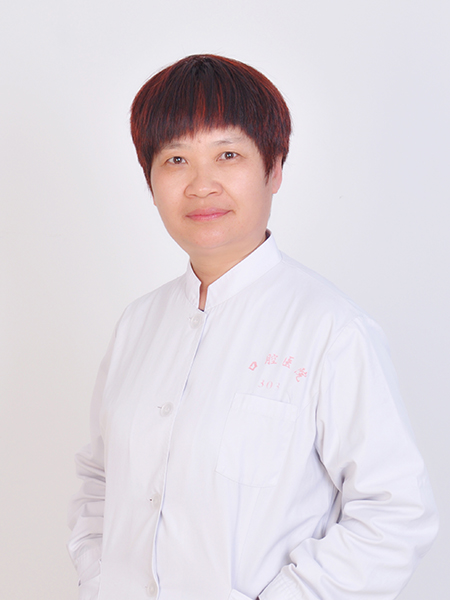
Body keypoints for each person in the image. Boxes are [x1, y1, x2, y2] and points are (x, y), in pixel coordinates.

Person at [67, 54, 438, 600]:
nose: (201, 185)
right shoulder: (137, 324)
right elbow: (100, 482)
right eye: (176, 159)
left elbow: (394, 513)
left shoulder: (331, 329)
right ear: (150, 180)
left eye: (228, 154)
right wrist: (100, 581)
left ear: (274, 168)